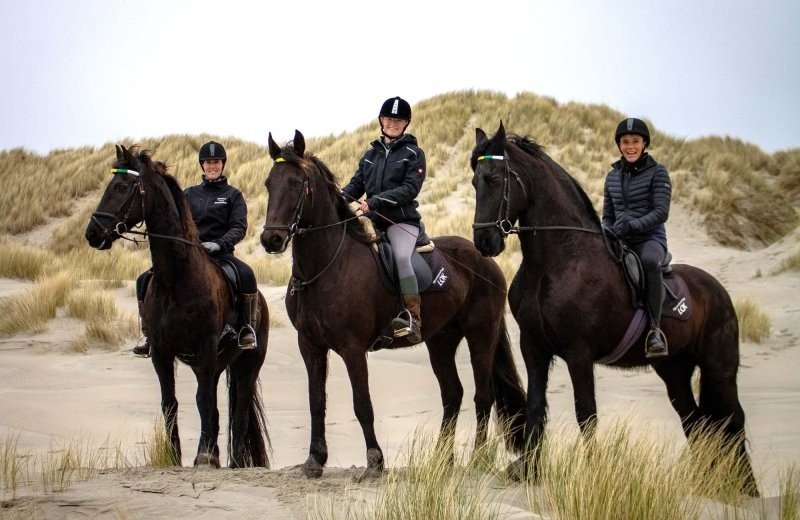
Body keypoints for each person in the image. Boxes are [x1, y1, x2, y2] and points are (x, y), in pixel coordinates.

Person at [133, 140, 259, 356]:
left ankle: (245, 328)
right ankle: (148, 332)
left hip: (221, 255)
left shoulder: (233, 195)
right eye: (208, 162)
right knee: (144, 280)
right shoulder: (189, 194)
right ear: (202, 165)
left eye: (216, 162)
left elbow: (239, 227)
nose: (212, 166)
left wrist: (219, 244)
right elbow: (176, 223)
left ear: (223, 164)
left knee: (246, 275)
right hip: (190, 255)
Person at [340, 96, 427, 345]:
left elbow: (410, 189)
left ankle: (412, 318)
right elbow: (356, 185)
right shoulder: (370, 154)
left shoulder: (414, 154)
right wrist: (338, 198)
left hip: (401, 222)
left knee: (400, 257)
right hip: (372, 221)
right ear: (381, 120)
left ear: (406, 123)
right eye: (389, 118)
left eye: (398, 120)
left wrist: (375, 201)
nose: (392, 123)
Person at [602, 118, 672, 358]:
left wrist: (632, 226)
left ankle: (654, 330)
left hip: (649, 239)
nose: (630, 146)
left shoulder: (658, 172)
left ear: (644, 144)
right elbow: (608, 215)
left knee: (650, 262)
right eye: (625, 142)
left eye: (635, 141)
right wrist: (607, 230)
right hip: (619, 238)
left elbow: (661, 212)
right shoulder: (612, 177)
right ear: (619, 145)